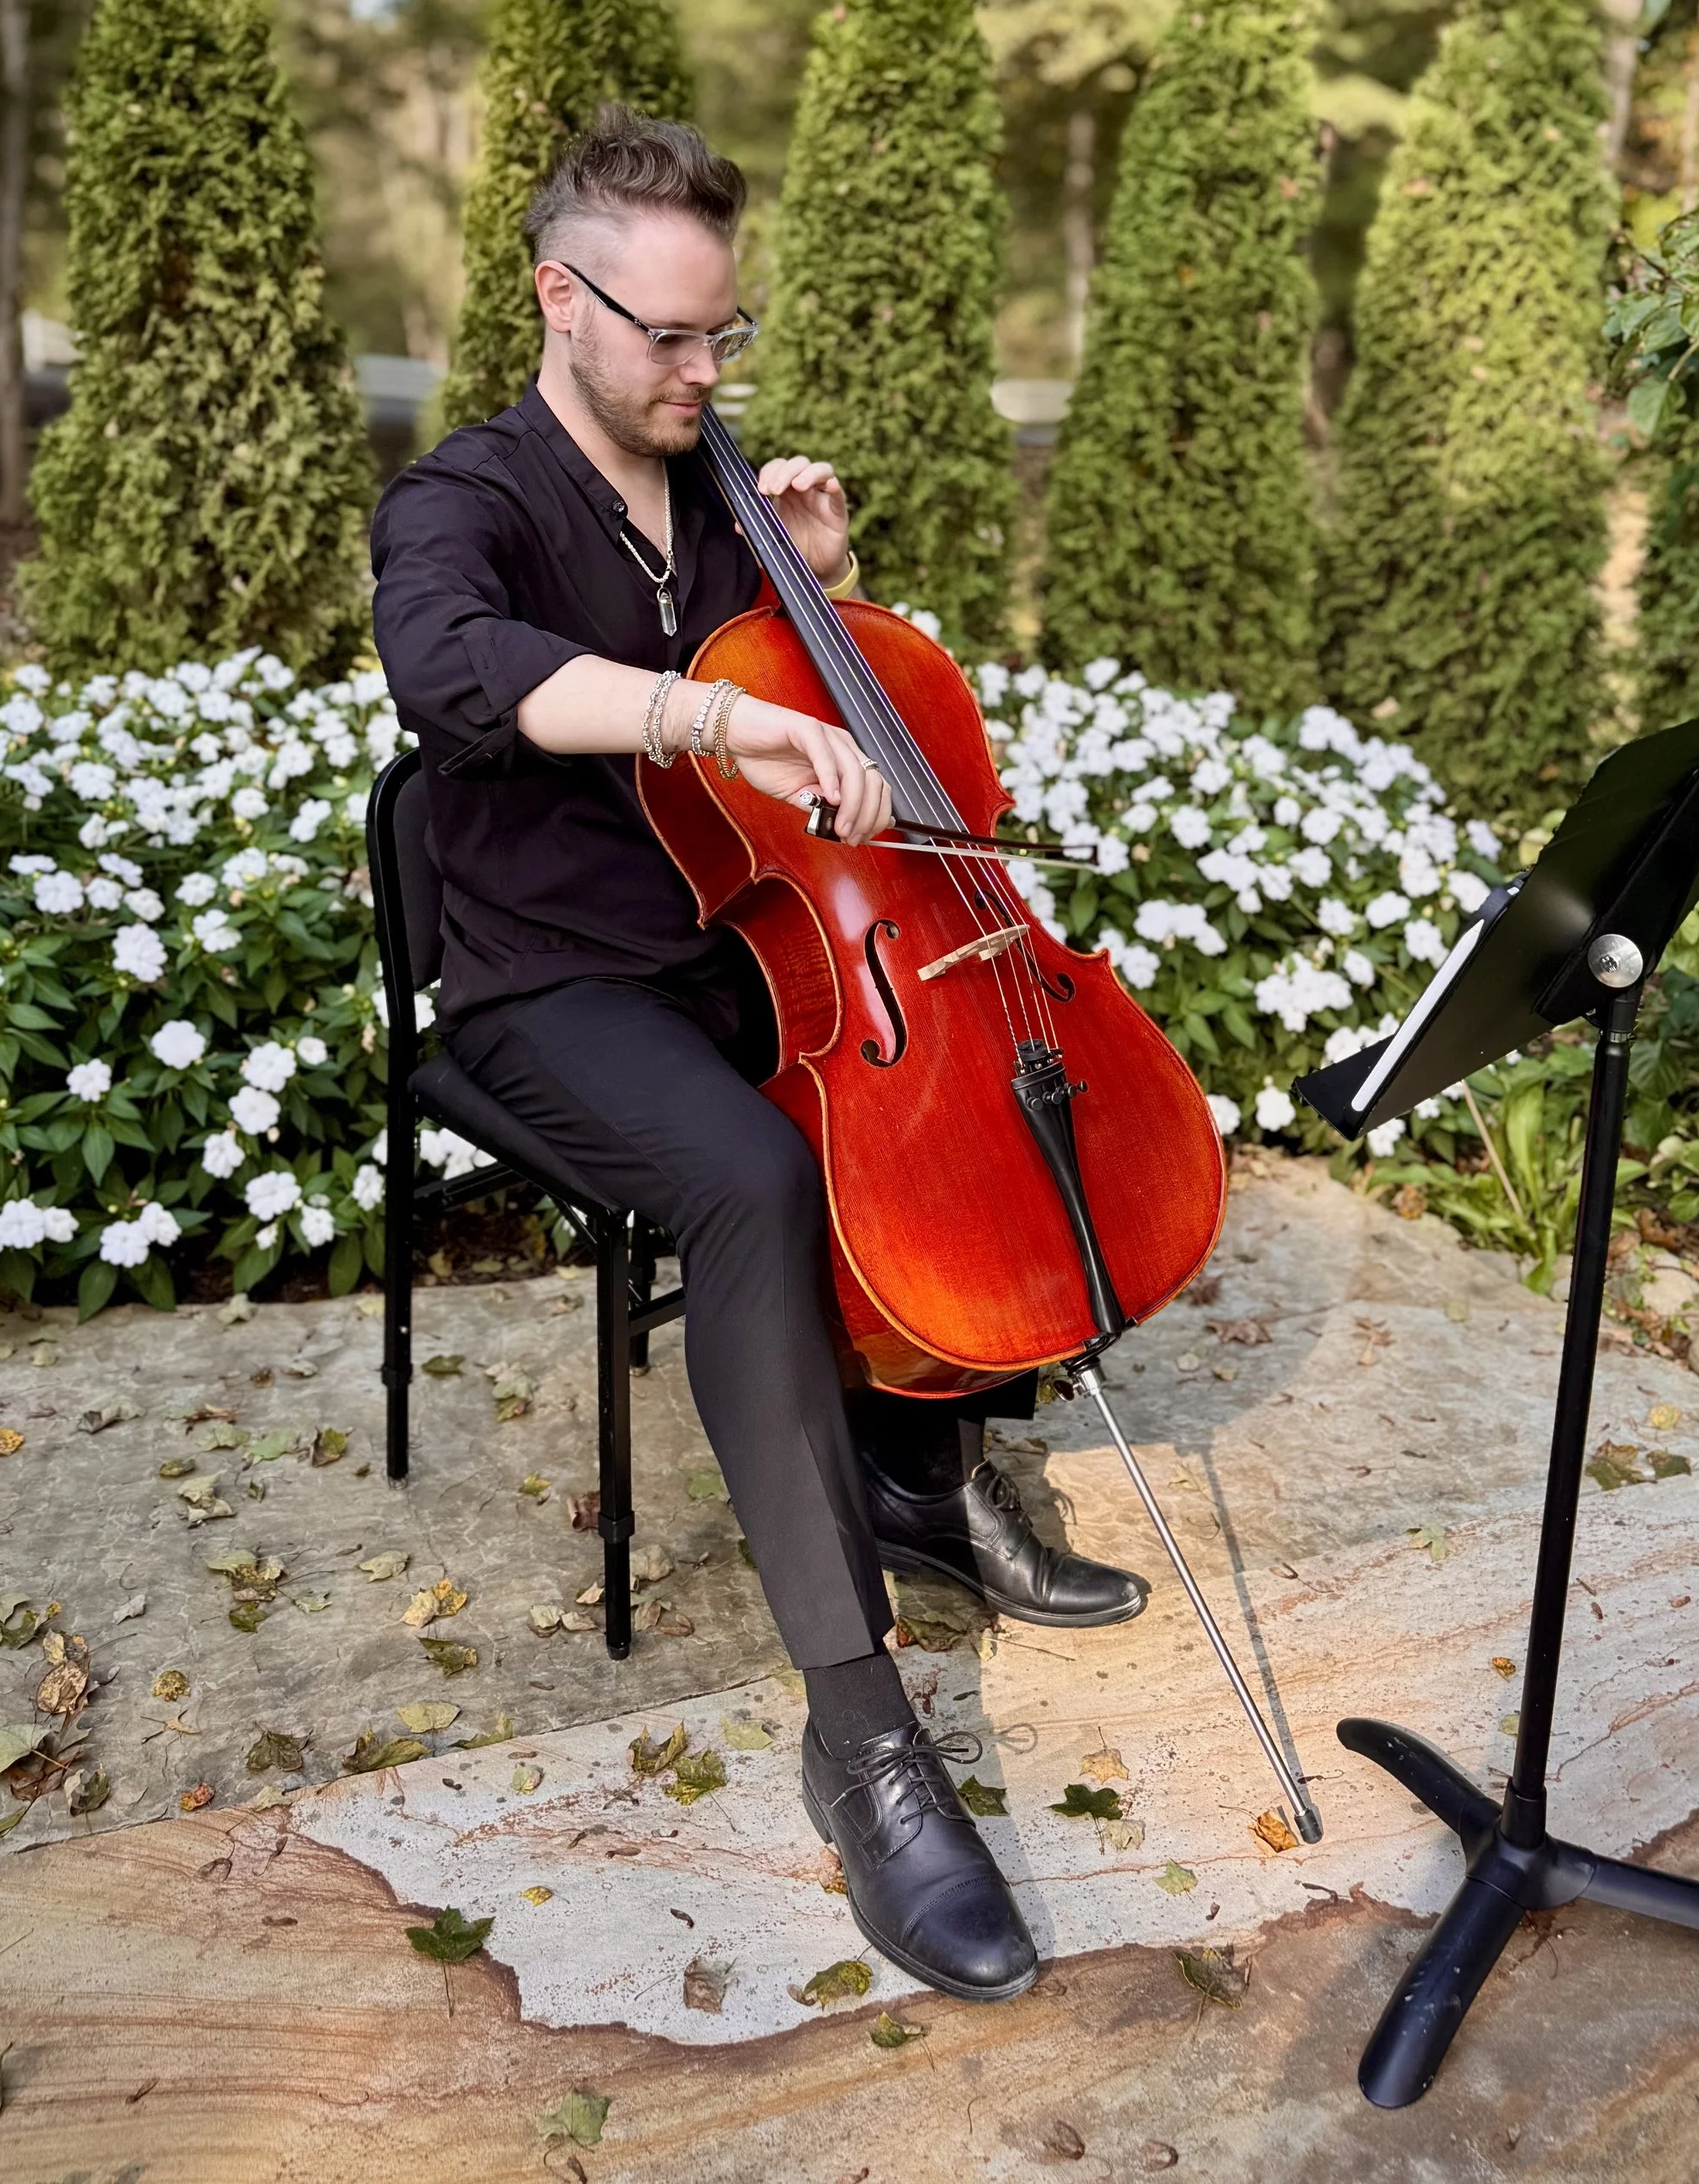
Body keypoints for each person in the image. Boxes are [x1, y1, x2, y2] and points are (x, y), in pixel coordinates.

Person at [370, 103, 1150, 2004]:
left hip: (750, 955)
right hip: (550, 985)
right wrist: (706, 719)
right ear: (560, 300)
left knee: (953, 1098)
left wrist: (815, 584)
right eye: (669, 337)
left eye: (725, 333)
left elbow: (831, 763)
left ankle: (922, 1468)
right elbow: (449, 665)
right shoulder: (464, 498)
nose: (705, 374)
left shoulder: (720, 496)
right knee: (755, 1181)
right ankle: (864, 1739)